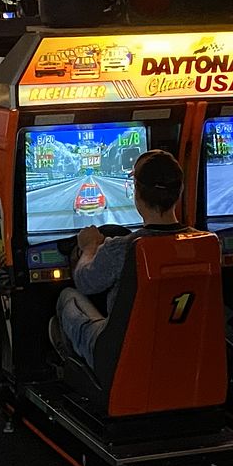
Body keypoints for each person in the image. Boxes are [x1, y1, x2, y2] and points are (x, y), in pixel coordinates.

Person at [51, 149, 186, 372]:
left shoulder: (121, 248)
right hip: (181, 348)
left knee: (67, 297)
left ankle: (75, 373)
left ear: (137, 195)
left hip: (125, 357)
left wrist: (89, 247)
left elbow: (84, 281)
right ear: (180, 191)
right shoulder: (207, 244)